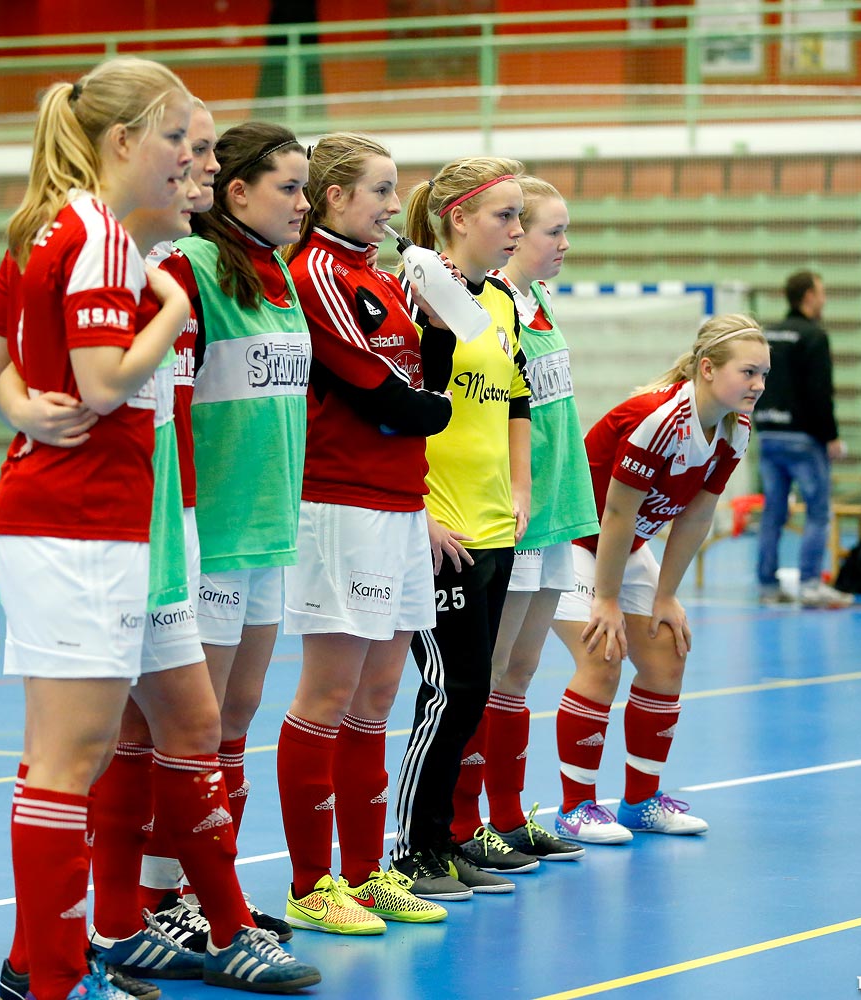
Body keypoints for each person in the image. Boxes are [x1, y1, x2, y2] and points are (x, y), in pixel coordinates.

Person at [0, 59, 318, 1000]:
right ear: (127, 141)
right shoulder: (101, 241)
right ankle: (48, 971)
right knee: (68, 756)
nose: (199, 165)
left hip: (142, 519)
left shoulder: (107, 239)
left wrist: (21, 403)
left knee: (181, 724)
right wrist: (165, 313)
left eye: (208, 148)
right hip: (81, 519)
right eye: (188, 142)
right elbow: (90, 383)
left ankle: (135, 933)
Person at [275, 131, 456, 931]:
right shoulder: (316, 269)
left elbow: (428, 379)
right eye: (382, 191)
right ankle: (312, 884)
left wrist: (444, 322)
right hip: (339, 503)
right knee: (327, 693)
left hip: (400, 501)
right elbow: (380, 394)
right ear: (336, 196)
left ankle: (363, 870)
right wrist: (433, 405)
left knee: (377, 696)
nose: (393, 207)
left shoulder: (380, 275)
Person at [156, 121, 313, 936]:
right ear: (238, 190)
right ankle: (156, 897)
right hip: (211, 527)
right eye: (289, 186)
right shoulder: (193, 266)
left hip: (270, 529)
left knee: (237, 715)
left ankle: (203, 891)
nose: (304, 202)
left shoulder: (279, 273)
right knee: (191, 723)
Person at [549, 315, 769, 844]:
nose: (758, 385)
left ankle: (641, 801)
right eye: (748, 372)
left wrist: (666, 595)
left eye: (764, 374)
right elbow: (618, 515)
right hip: (570, 541)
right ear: (708, 369)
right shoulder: (660, 419)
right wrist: (605, 599)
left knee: (668, 650)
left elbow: (696, 515)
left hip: (626, 547)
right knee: (602, 657)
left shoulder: (734, 428)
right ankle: (575, 808)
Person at [388, 156, 539, 897]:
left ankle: (446, 839)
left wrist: (520, 485)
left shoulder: (504, 303)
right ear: (456, 220)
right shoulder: (418, 297)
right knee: (452, 690)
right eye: (504, 216)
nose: (517, 230)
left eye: (518, 217)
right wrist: (418, 510)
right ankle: (410, 848)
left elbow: (514, 399)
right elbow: (401, 408)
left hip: (492, 524)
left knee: (474, 691)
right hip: (437, 525)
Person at [453, 176, 594, 863]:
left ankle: (506, 815)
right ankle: (463, 821)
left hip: (557, 508)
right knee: (485, 670)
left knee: (521, 670)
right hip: (513, 513)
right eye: (552, 231)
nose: (564, 244)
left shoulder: (538, 301)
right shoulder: (490, 303)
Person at [753, 270, 851, 609]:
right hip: (803, 439)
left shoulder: (769, 334)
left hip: (768, 433)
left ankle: (767, 584)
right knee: (818, 511)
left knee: (773, 512)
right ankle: (810, 584)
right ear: (809, 296)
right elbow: (819, 392)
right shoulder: (814, 336)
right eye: (821, 293)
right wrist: (832, 436)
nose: (823, 300)